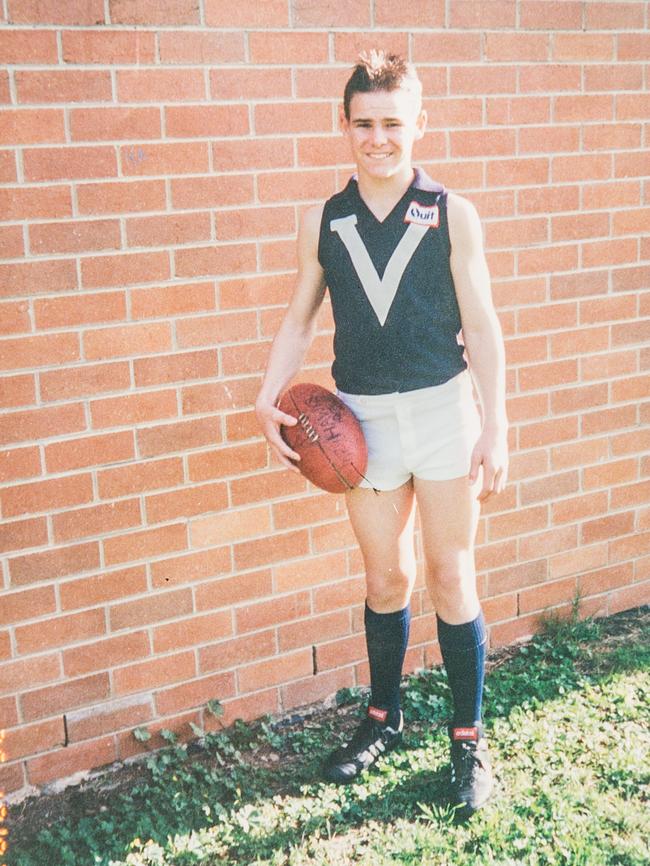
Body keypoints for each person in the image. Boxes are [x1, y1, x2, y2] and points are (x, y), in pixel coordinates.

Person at [255, 51, 508, 816]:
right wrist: (266, 397)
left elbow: (484, 324)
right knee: (385, 580)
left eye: (393, 122)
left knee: (450, 573)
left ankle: (467, 740)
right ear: (345, 128)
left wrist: (497, 425)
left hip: (440, 410)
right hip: (359, 422)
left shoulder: (452, 212)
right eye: (364, 123)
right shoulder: (323, 220)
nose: (378, 137)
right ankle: (383, 717)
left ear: (419, 125)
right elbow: (300, 318)